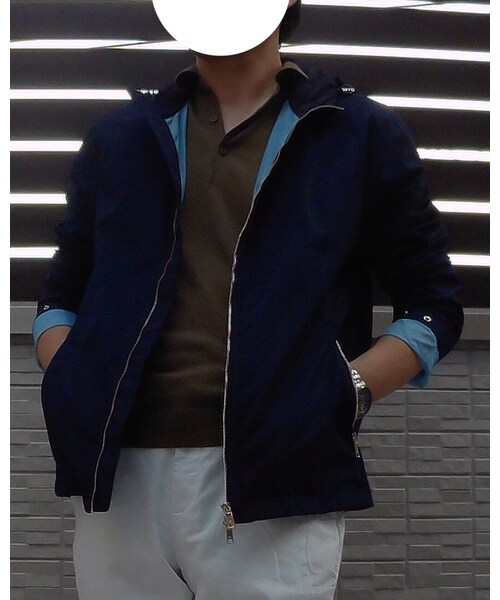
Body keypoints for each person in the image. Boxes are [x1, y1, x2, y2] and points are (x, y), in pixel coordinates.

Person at [32, 0, 464, 598]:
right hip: (117, 476)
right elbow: (61, 293)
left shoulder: (357, 132)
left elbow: (433, 302)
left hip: (278, 478)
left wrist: (345, 392)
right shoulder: (120, 137)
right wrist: (72, 378)